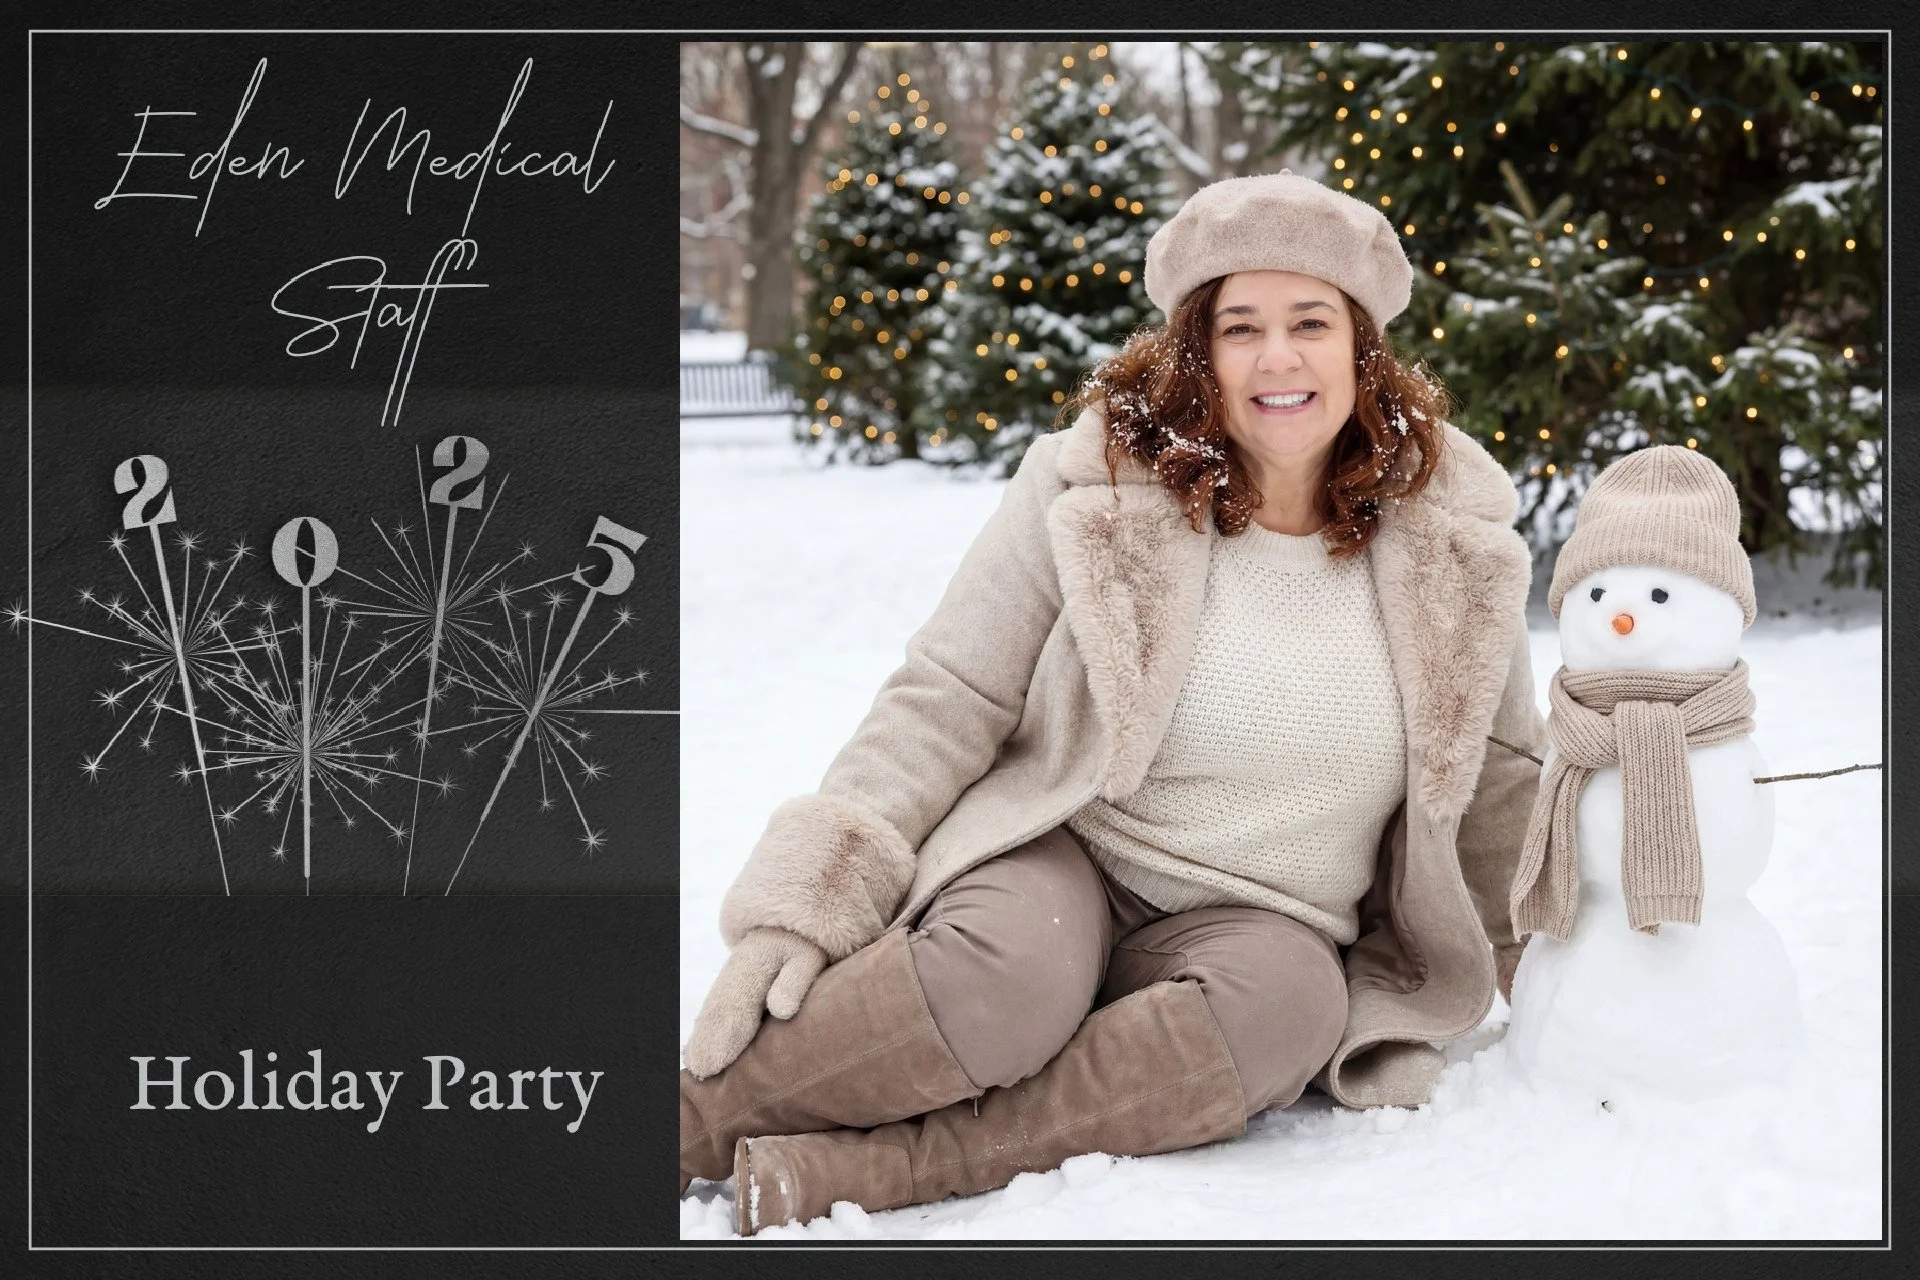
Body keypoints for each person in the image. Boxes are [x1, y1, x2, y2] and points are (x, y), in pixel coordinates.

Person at [680, 171, 1548, 1236]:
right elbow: (951, 688)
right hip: (1070, 851)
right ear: (1200, 350)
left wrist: (1547, 964)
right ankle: (663, 1124)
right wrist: (812, 892)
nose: (1279, 357)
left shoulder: (1453, 533)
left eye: (1311, 322)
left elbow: (1502, 770)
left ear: (1362, 345)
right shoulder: (1097, 481)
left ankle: (877, 1172)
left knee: (1296, 1006)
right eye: (1242, 327)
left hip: (1267, 920)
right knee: (1014, 968)